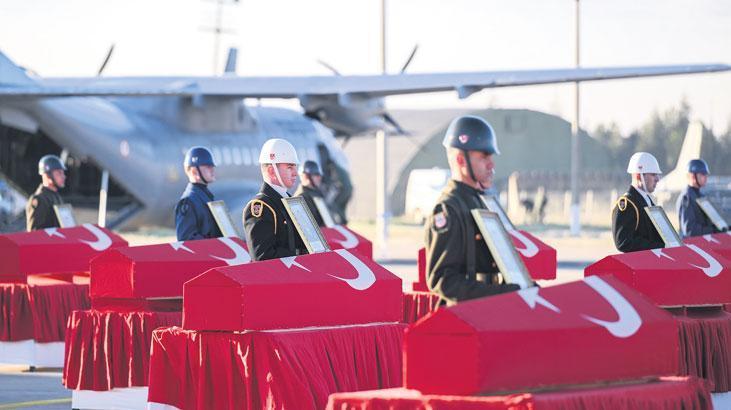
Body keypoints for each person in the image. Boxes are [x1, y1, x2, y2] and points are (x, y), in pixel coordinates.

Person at [424, 115, 522, 305]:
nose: (491, 164)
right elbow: (443, 281)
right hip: (459, 317)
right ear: (461, 160)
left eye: (491, 157)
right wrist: (500, 294)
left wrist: (520, 287)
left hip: (483, 312)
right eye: (484, 157)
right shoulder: (448, 209)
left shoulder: (480, 202)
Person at [243, 138, 307, 261]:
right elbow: (262, 256)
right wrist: (299, 256)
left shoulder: (290, 201)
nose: (295, 173)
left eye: (295, 167)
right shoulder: (261, 207)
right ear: (272, 171)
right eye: (289, 167)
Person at [612, 152, 665, 252]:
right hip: (641, 261)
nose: (657, 179)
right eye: (653, 174)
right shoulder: (627, 204)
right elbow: (623, 242)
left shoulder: (647, 200)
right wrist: (659, 246)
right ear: (638, 176)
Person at [174, 146, 222, 241]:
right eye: (208, 167)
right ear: (194, 172)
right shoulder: (188, 202)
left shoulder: (206, 197)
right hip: (206, 251)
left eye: (212, 166)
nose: (212, 169)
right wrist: (214, 244)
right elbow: (186, 239)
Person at [677, 159, 724, 237]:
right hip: (692, 244)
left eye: (706, 174)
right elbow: (690, 231)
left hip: (703, 241)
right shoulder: (686, 197)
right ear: (693, 176)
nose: (706, 177)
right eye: (702, 174)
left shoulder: (701, 196)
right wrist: (713, 230)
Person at [26, 155, 66, 231]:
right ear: (47, 175)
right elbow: (34, 233)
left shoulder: (56, 196)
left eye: (63, 173)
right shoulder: (39, 199)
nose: (63, 176)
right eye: (59, 173)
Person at [294, 160, 328, 226]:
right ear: (306, 176)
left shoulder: (316, 192)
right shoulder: (301, 197)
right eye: (316, 174)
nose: (319, 177)